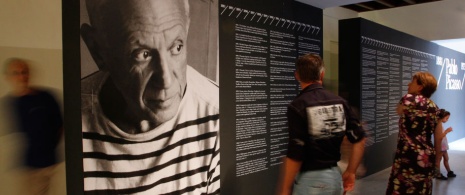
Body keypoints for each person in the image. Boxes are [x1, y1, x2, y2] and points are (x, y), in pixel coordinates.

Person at [80, 0, 220, 194]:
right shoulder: (70, 120)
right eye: (142, 54)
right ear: (97, 49)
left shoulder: (217, 116)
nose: (166, 80)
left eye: (177, 47)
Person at [277, 54, 367, 195]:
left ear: (297, 75)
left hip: (310, 180)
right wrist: (351, 171)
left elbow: (296, 151)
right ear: (322, 74)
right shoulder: (340, 102)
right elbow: (360, 139)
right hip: (335, 178)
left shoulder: (298, 106)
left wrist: (285, 187)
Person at [2, 58, 63, 195]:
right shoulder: (10, 103)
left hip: (47, 165)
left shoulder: (46, 97)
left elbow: (59, 126)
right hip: (25, 166)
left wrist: (49, 150)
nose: (22, 76)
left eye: (24, 72)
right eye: (16, 73)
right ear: (8, 77)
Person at [386, 72, 442, 195]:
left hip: (408, 155)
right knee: (422, 189)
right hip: (426, 157)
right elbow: (438, 137)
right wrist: (437, 160)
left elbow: (398, 111)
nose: (408, 84)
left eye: (412, 81)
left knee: (401, 188)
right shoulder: (435, 107)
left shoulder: (409, 99)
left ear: (420, 87)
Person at [434, 109, 456, 180]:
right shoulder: (438, 125)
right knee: (438, 159)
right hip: (440, 145)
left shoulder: (440, 124)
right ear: (442, 117)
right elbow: (439, 137)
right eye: (446, 118)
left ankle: (449, 171)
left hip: (443, 145)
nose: (447, 120)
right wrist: (446, 131)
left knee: (446, 158)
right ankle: (438, 174)